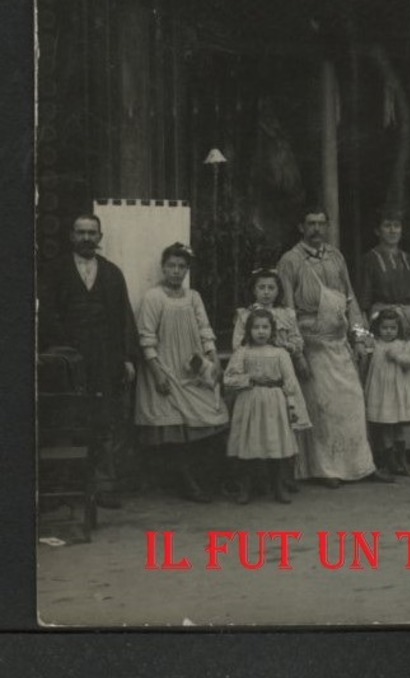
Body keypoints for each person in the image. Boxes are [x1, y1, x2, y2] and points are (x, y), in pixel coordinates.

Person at [276, 205, 392, 487]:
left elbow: (350, 300)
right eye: (310, 223)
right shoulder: (290, 260)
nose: (316, 229)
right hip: (312, 344)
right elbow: (287, 309)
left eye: (321, 223)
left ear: (327, 227)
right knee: (322, 408)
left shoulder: (337, 257)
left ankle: (361, 465)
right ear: (301, 228)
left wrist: (362, 337)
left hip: (339, 345)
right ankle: (326, 470)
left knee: (353, 403)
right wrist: (298, 351)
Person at [38, 213, 136, 509]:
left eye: (92, 233)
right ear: (71, 236)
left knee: (104, 419)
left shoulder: (112, 273)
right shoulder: (54, 271)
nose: (86, 238)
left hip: (105, 360)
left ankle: (104, 486)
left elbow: (124, 317)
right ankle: (65, 487)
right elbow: (47, 316)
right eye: (80, 232)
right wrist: (62, 351)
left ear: (100, 237)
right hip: (65, 362)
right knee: (67, 420)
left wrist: (128, 359)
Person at [134, 243, 229, 502]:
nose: (176, 271)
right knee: (176, 427)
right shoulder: (154, 297)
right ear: (163, 268)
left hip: (192, 367)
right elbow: (146, 338)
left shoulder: (193, 297)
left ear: (187, 270)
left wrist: (213, 357)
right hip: (165, 366)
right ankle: (187, 483)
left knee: (211, 416)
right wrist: (157, 373)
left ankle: (206, 478)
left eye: (181, 267)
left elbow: (205, 329)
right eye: (171, 266)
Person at [224, 307, 311, 505]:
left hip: (275, 402)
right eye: (256, 327)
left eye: (265, 327)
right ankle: (245, 488)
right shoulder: (242, 352)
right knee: (249, 442)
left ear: (272, 330)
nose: (261, 332)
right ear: (248, 331)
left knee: (276, 443)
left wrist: (292, 406)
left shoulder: (280, 353)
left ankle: (278, 486)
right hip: (250, 401)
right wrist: (249, 379)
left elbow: (290, 381)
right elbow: (228, 378)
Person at [359, 210, 410, 450]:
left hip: (407, 321)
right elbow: (364, 302)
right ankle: (382, 449)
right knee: (384, 383)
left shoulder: (409, 259)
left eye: (397, 226)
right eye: (387, 226)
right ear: (378, 230)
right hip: (382, 320)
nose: (393, 231)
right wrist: (367, 333)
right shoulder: (370, 259)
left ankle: (406, 448)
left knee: (408, 382)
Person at [364, 308, 410, 476]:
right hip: (381, 392)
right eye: (384, 328)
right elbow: (363, 351)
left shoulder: (404, 345)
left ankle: (402, 460)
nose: (388, 332)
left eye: (393, 328)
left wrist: (398, 357)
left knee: (398, 427)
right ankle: (389, 462)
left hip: (397, 393)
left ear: (398, 329)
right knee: (386, 426)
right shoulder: (374, 344)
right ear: (378, 328)